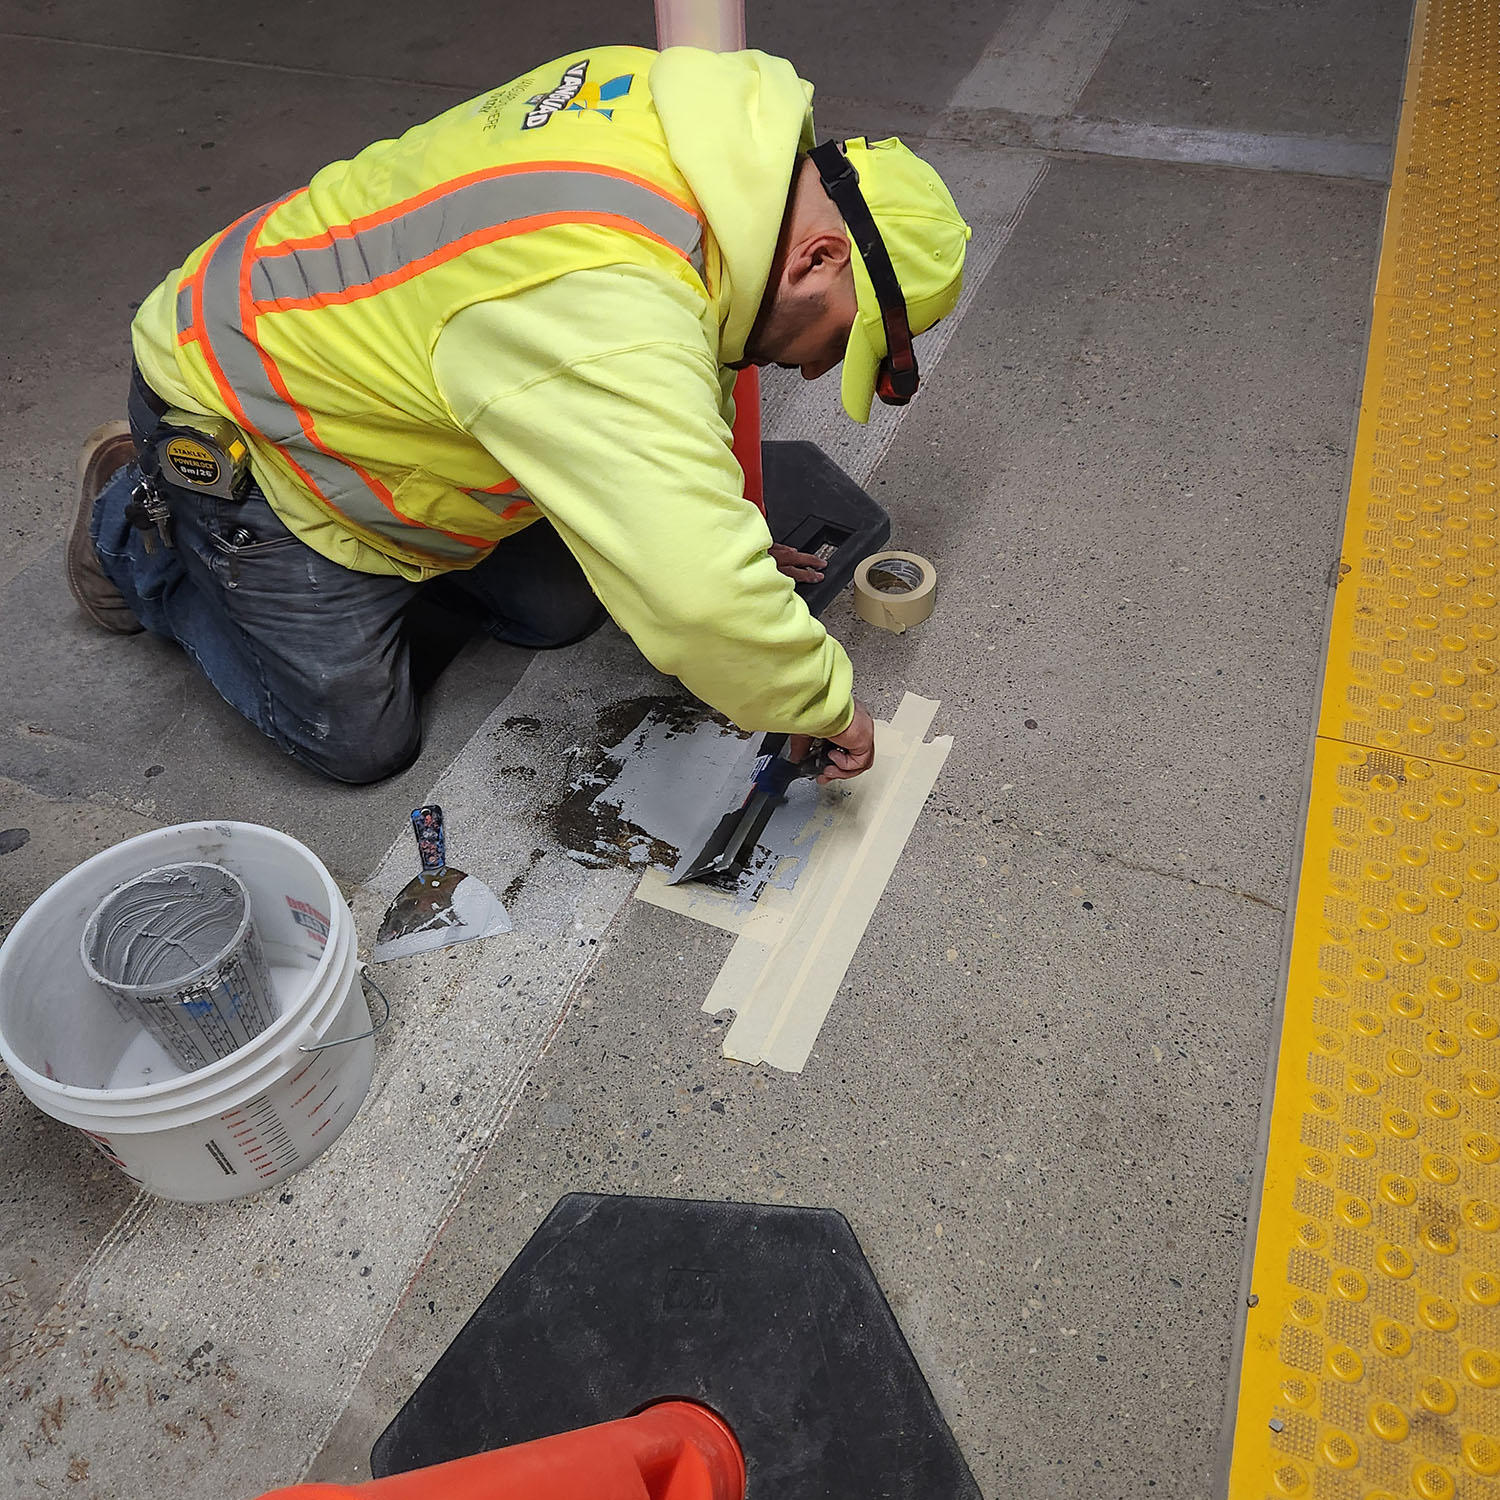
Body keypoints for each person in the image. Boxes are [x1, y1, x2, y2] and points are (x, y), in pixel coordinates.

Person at [67, 45, 969, 785]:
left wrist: (697, 525)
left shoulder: (694, 132)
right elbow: (692, 590)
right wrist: (814, 695)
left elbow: (630, 381)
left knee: (564, 608)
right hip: (251, 415)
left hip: (385, 382)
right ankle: (136, 525)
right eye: (836, 342)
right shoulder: (604, 298)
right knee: (356, 740)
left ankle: (389, 573)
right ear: (815, 258)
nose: (813, 371)